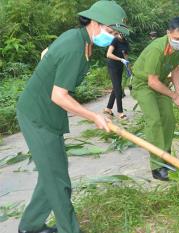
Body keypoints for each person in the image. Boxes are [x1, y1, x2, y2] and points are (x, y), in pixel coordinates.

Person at [15, 1, 128, 233]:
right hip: (38, 115)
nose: (113, 37)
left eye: (116, 34)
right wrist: (94, 117)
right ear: (94, 23)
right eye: (110, 31)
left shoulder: (80, 40)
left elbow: (46, 53)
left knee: (52, 173)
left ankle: (30, 226)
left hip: (50, 115)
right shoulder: (75, 47)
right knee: (58, 181)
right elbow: (59, 95)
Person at [131, 17, 179, 181]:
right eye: (176, 38)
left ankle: (166, 158)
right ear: (168, 33)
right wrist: (173, 96)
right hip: (143, 84)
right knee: (155, 121)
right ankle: (157, 167)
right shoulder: (156, 49)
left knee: (169, 119)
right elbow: (152, 81)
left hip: (162, 83)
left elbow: (176, 69)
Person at [104, 33, 130, 119]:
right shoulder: (115, 40)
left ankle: (108, 108)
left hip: (120, 67)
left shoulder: (125, 42)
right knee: (118, 88)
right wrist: (120, 59)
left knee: (116, 88)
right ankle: (120, 112)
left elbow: (126, 55)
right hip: (112, 66)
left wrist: (128, 68)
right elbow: (108, 54)